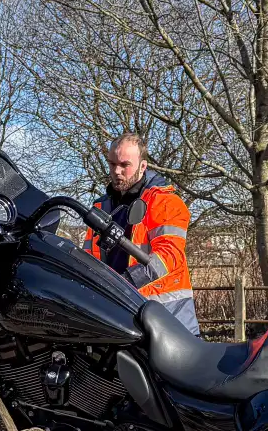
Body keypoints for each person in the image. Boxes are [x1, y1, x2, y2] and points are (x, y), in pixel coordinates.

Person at [84, 132, 199, 335]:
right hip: (119, 314)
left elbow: (168, 257)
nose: (117, 171)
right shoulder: (100, 207)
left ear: (142, 166)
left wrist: (122, 283)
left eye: (124, 165)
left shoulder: (165, 202)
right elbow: (89, 258)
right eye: (112, 164)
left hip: (168, 320)